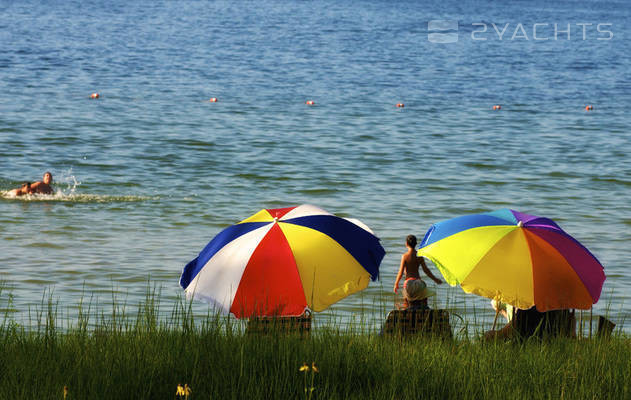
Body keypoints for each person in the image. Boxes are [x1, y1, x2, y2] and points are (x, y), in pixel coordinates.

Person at [394, 234, 443, 310]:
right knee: (423, 303)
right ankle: (425, 315)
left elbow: (400, 272)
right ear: (416, 244)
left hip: (408, 283)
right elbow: (426, 270)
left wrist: (396, 284)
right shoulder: (419, 256)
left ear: (406, 244)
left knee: (407, 303)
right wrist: (435, 279)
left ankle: (407, 317)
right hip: (419, 282)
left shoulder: (405, 256)